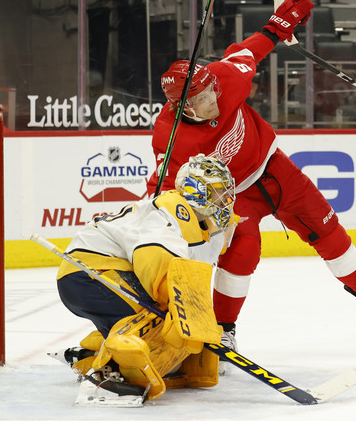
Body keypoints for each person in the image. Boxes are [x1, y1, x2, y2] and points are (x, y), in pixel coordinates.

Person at [147, 0, 356, 366]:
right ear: (183, 107)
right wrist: (152, 219)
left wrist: (279, 24)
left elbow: (253, 49)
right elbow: (162, 185)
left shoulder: (226, 77)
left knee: (325, 224)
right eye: (203, 96)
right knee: (243, 251)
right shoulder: (169, 134)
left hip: (274, 169)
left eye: (212, 89)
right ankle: (224, 330)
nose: (215, 98)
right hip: (231, 197)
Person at [54, 154, 238, 405]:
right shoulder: (176, 208)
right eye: (218, 191)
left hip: (88, 274)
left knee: (162, 330)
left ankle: (91, 354)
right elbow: (152, 253)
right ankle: (106, 379)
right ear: (197, 190)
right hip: (92, 272)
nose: (225, 199)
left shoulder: (195, 220)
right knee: (156, 317)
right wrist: (182, 310)